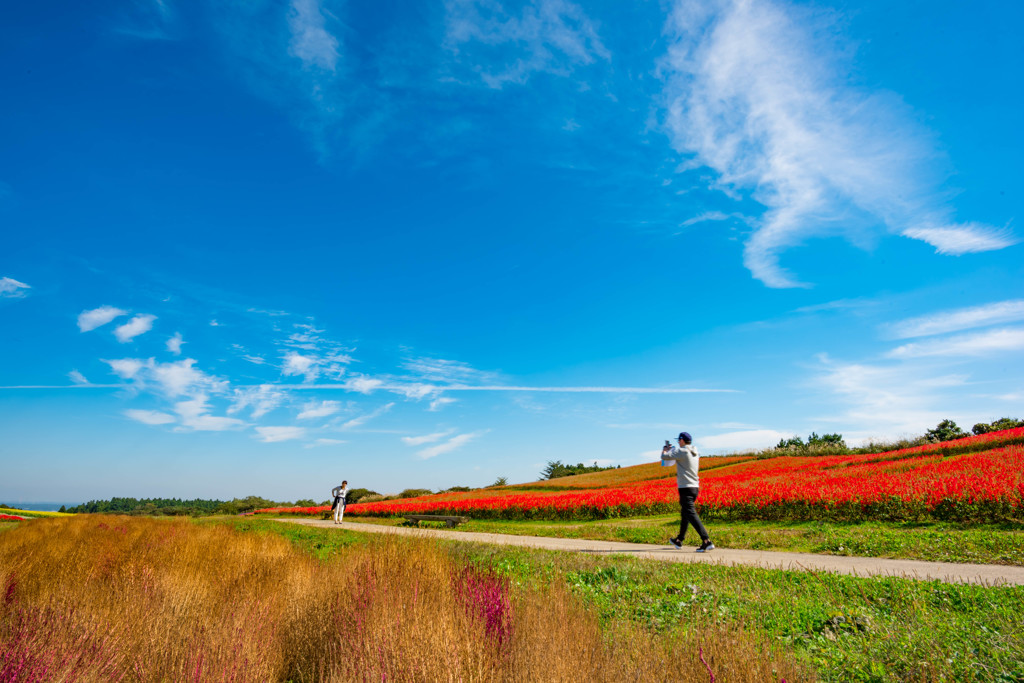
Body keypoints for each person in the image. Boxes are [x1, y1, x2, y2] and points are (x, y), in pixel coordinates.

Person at [661, 432, 714, 552]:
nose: (678, 443)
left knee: (691, 514)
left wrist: (665, 450)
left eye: (679, 441)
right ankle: (679, 540)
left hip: (685, 487)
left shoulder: (682, 451)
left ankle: (706, 541)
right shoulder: (695, 451)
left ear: (682, 440)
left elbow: (665, 457)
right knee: (685, 514)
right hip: (694, 487)